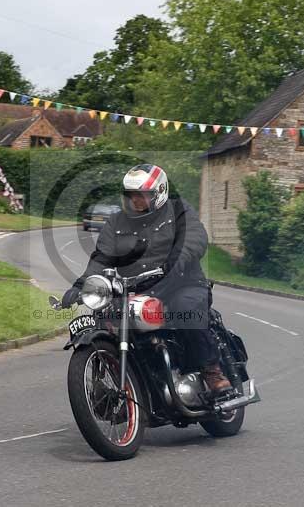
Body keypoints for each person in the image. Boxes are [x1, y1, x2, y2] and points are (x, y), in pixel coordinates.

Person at [61, 164, 231, 395]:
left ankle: (211, 370)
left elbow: (195, 237)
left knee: (186, 310)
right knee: (103, 316)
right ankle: (114, 382)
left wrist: (176, 259)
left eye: (141, 195)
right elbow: (102, 257)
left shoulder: (178, 211)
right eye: (130, 196)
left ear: (159, 193)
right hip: (135, 290)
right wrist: (82, 285)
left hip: (180, 284)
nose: (135, 201)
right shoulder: (116, 223)